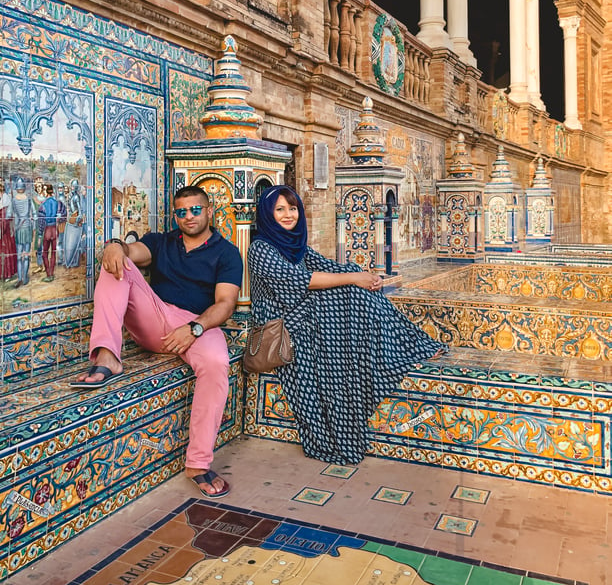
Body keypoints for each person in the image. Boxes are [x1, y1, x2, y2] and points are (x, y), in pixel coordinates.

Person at [247, 185, 446, 465]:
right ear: (267, 214)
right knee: (348, 291)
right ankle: (411, 345)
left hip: (302, 314)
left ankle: (407, 345)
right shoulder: (261, 248)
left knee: (354, 287)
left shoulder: (295, 245)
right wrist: (354, 280)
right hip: (280, 324)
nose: (288, 214)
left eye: (292, 208)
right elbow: (301, 282)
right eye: (280, 209)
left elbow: (327, 267)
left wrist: (364, 275)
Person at [70, 186, 243, 498]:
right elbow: (131, 252)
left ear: (209, 211)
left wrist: (195, 328)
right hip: (155, 319)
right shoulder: (161, 241)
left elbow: (225, 304)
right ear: (175, 214)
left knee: (218, 364)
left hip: (197, 325)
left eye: (195, 210)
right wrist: (115, 246)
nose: (188, 217)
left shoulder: (226, 252)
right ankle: (107, 356)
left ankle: (198, 464)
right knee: (116, 263)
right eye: (182, 212)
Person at [38, 183, 67, 282]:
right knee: (53, 253)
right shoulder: (58, 203)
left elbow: (41, 222)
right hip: (55, 230)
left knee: (44, 253)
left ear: (47, 191)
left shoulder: (43, 205)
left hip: (47, 230)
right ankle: (52, 273)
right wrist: (59, 220)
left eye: (44, 190)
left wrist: (39, 234)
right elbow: (64, 215)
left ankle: (48, 274)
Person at [0, 177, 17, 281]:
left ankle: (8, 274)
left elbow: (8, 216)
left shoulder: (6, 197)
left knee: (6, 250)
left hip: (5, 231)